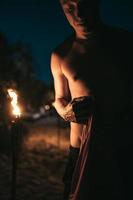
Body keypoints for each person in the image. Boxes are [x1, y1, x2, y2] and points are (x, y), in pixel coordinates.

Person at [50, 0, 133, 199]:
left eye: (84, 4)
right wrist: (68, 112)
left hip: (122, 147)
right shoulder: (61, 54)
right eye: (70, 8)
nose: (78, 14)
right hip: (79, 149)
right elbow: (59, 99)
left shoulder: (126, 43)